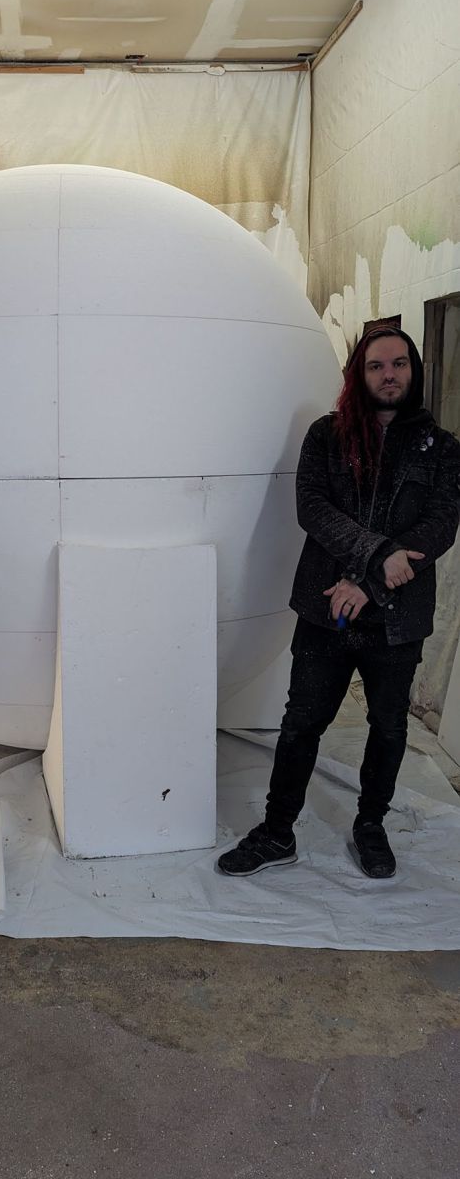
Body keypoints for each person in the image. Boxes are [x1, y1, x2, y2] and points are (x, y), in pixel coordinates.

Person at [218, 324, 460, 880]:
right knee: (301, 724)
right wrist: (376, 556)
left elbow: (438, 529)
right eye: (377, 365)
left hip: (397, 619)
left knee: (390, 727)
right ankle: (277, 832)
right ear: (359, 373)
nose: (389, 374)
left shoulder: (442, 449)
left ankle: (370, 826)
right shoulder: (326, 436)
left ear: (413, 371)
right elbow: (312, 509)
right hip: (325, 611)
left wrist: (367, 584)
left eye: (399, 364)